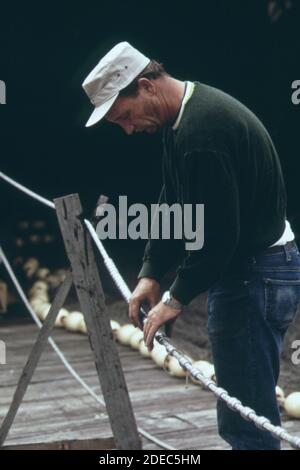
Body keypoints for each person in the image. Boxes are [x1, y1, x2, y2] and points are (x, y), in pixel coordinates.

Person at [82, 41, 300, 450]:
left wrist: (175, 298)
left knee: (247, 422)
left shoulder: (202, 133)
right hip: (258, 271)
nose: (128, 129)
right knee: (244, 410)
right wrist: (150, 272)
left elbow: (218, 237)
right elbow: (173, 199)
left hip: (256, 276)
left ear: (145, 86)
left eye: (125, 116)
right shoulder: (184, 118)